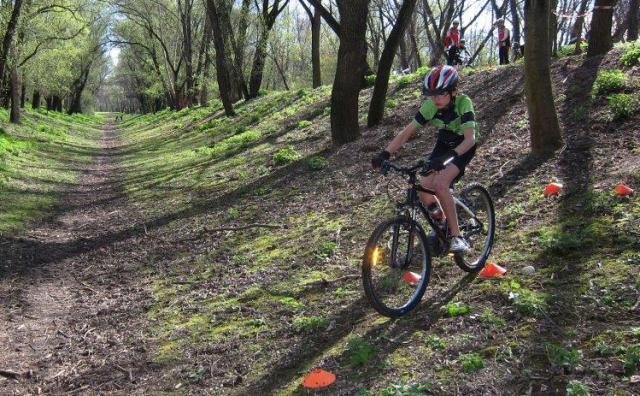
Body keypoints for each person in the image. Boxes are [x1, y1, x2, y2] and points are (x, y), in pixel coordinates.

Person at [371, 65, 478, 254]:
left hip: (463, 146)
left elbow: (470, 139)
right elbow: (407, 132)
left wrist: (448, 158)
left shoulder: (463, 103)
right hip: (444, 142)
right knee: (423, 188)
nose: (436, 99)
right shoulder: (431, 106)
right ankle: (443, 226)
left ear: (453, 91)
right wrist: (385, 153)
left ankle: (457, 236)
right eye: (432, 95)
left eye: (441, 94)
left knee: (441, 184)